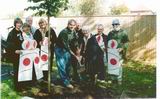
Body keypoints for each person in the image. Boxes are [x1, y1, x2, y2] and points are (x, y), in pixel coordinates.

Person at [55, 19, 77, 89]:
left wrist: (77, 50)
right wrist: (73, 53)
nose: (72, 27)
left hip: (67, 49)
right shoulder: (64, 32)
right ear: (68, 25)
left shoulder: (73, 31)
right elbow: (66, 45)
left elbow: (75, 41)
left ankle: (66, 78)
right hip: (60, 49)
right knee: (61, 66)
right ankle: (65, 82)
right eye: (70, 25)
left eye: (73, 25)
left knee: (68, 65)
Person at [107, 19, 129, 84]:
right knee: (112, 65)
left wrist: (122, 48)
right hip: (112, 53)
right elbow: (108, 42)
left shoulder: (123, 32)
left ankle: (119, 79)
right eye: (114, 24)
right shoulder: (110, 33)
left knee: (119, 66)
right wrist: (108, 48)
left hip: (119, 53)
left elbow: (127, 42)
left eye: (116, 24)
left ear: (119, 25)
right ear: (112, 25)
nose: (115, 26)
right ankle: (112, 78)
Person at [6, 17, 24, 91]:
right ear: (15, 24)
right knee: (16, 71)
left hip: (22, 54)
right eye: (18, 23)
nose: (19, 24)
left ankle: (21, 85)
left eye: (20, 23)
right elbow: (8, 46)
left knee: (22, 70)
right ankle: (17, 87)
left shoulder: (20, 32)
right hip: (15, 55)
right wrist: (15, 51)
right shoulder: (12, 33)